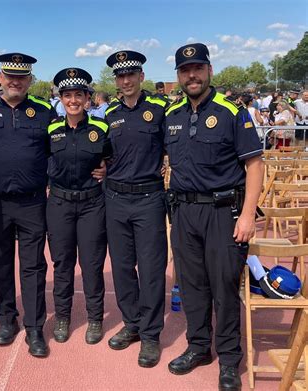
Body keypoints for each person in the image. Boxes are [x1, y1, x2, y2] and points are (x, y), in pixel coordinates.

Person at [164, 43, 264, 391]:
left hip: (224, 212)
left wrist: (248, 214)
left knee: (223, 287)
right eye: (184, 70)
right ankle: (198, 347)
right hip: (185, 212)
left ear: (209, 70)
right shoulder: (172, 115)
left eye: (197, 68)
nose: (191, 75)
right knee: (192, 287)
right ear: (178, 76)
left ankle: (229, 358)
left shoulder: (231, 112)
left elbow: (254, 164)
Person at [0, 52, 56, 358]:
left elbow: (59, 150)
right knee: (0, 264)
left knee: (34, 266)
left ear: (29, 80)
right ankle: (6, 319)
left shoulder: (45, 111)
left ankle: (35, 327)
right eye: (10, 76)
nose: (15, 82)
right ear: (0, 78)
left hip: (32, 202)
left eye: (22, 77)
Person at [104, 50, 168, 368]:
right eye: (120, 75)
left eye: (131, 74)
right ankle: (131, 324)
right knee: (122, 268)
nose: (125, 80)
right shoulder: (109, 115)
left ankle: (152, 334)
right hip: (115, 200)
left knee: (152, 270)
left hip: (149, 200)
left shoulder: (160, 110)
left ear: (141, 77)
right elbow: (101, 157)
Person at [47, 68, 111, 345]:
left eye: (78, 95)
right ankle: (62, 316)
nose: (73, 100)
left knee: (92, 264)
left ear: (88, 98)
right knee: (62, 264)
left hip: (91, 206)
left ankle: (95, 317)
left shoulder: (101, 129)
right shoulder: (50, 129)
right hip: (59, 203)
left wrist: (107, 168)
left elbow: (115, 159)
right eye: (67, 95)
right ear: (61, 98)